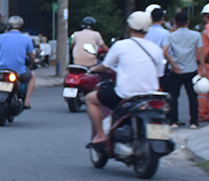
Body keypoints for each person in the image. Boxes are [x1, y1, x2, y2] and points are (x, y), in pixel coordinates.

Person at [85, 11, 165, 146]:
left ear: (129, 27)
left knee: (89, 99)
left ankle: (100, 135)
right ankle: (159, 137)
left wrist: (93, 69)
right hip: (150, 95)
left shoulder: (120, 45)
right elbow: (159, 74)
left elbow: (105, 66)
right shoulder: (156, 49)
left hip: (125, 94)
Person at [161, 10, 203, 128]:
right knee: (193, 97)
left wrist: (173, 64)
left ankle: (173, 121)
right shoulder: (196, 35)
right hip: (191, 69)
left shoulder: (170, 36)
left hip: (176, 71)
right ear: (188, 22)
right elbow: (200, 52)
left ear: (176, 22)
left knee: (174, 96)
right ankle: (194, 122)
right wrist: (203, 68)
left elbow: (164, 50)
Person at [0, 16, 36, 109]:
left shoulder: (0, 37)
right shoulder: (26, 39)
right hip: (19, 72)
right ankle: (26, 101)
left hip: (2, 70)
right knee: (32, 76)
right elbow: (32, 56)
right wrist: (34, 62)